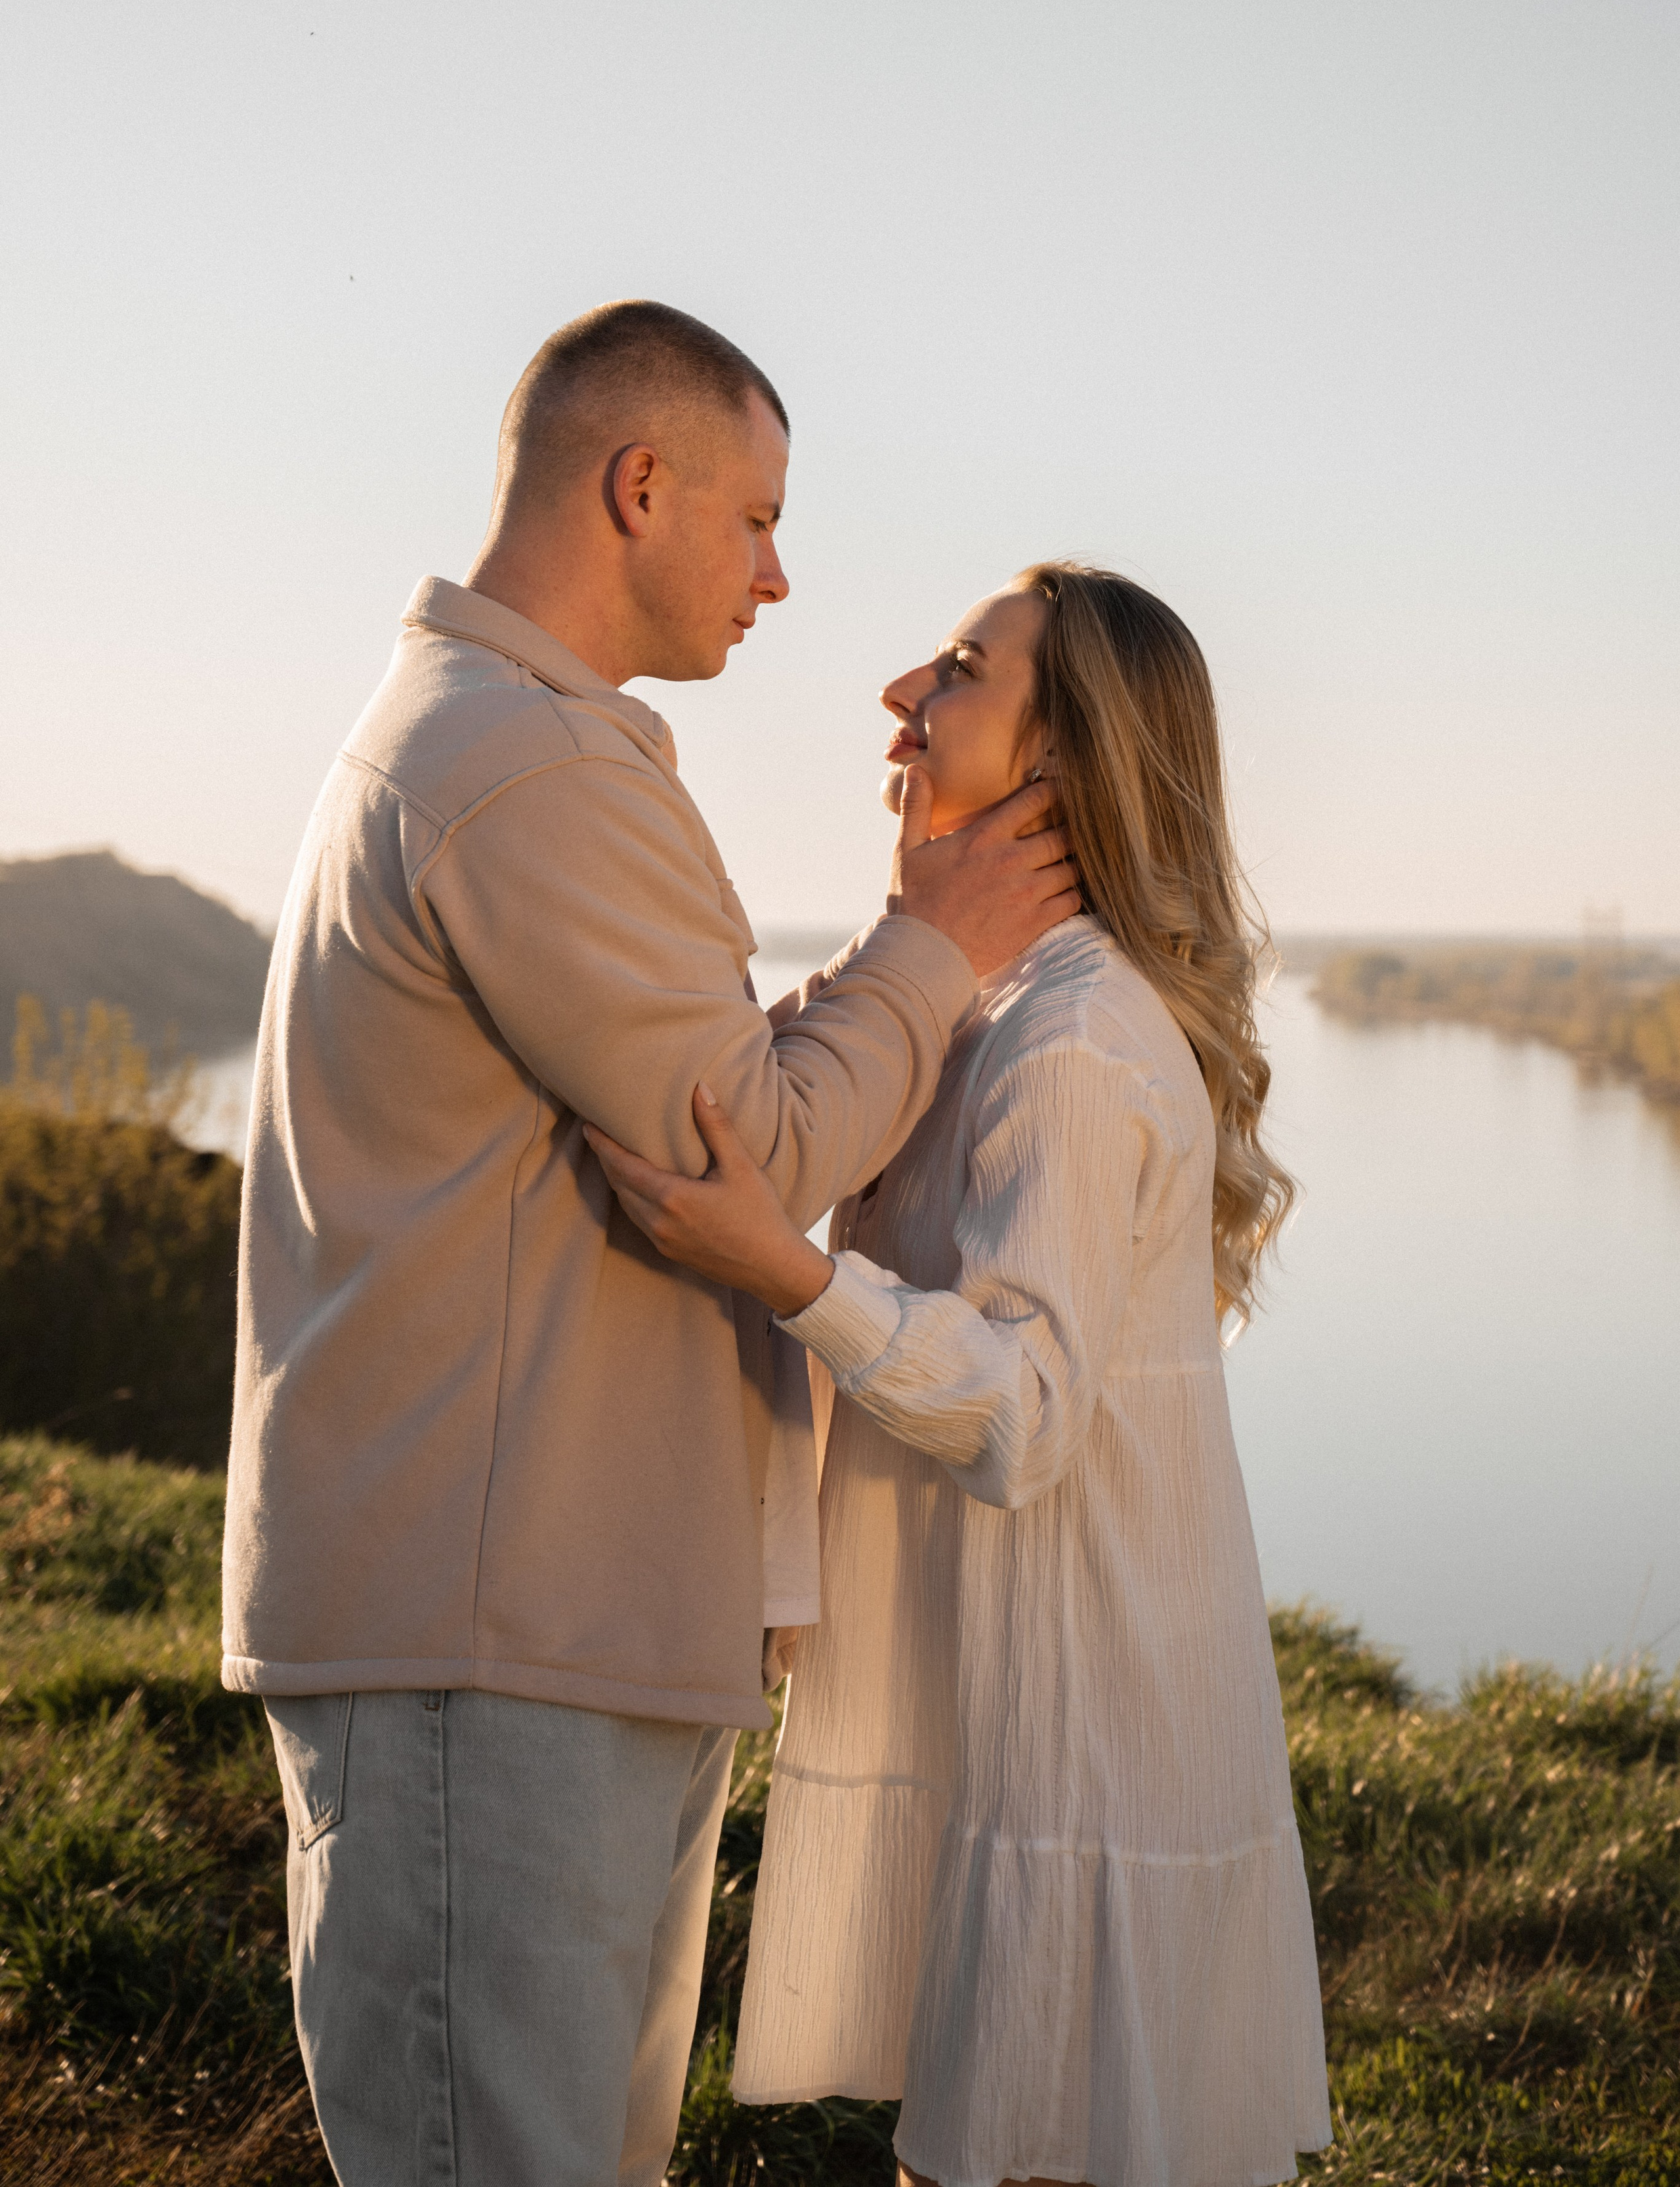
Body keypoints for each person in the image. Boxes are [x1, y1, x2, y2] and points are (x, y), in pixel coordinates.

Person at [220, 301, 1080, 2187]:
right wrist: (935, 940)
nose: (782, 575)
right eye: (758, 519)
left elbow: (716, 1111)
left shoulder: (534, 751)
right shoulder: (521, 769)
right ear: (639, 486)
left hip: (549, 1622)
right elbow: (750, 1151)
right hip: (490, 1639)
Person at [585, 562, 1335, 2187]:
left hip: (1074, 1715)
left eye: (957, 669)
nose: (896, 694)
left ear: (1059, 764)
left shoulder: (1064, 1039)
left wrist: (783, 1268)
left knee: (1024, 2147)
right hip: (1005, 1688)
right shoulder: (990, 1008)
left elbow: (1024, 1410)